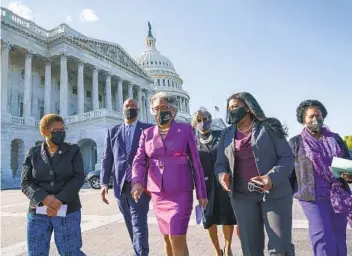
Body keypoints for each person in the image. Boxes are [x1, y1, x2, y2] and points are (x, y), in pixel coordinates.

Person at [214, 92, 295, 256]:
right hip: (242, 197)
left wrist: (271, 178)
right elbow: (220, 164)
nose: (232, 110)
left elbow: (287, 157)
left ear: (248, 108)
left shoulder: (269, 127)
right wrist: (222, 175)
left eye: (235, 106)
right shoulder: (226, 133)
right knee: (250, 247)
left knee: (280, 246)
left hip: (273, 193)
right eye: (229, 108)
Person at [131, 92, 207, 256]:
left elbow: (196, 163)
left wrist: (202, 193)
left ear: (173, 109)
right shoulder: (147, 133)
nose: (160, 111)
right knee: (166, 238)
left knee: (177, 237)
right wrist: (137, 181)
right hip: (158, 193)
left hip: (180, 192)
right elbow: (139, 160)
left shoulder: (185, 130)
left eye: (164, 107)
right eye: (156, 108)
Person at [289, 100, 352, 256]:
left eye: (318, 115)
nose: (315, 119)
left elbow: (347, 162)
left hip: (338, 194)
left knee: (338, 236)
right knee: (322, 235)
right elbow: (288, 172)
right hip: (311, 197)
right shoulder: (296, 142)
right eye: (311, 116)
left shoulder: (335, 139)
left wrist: (348, 174)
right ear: (303, 119)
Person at [21, 114, 85, 256]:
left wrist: (58, 200)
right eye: (56, 130)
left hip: (68, 210)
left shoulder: (73, 150)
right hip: (38, 211)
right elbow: (26, 182)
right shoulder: (33, 153)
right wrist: (44, 198)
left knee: (71, 252)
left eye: (63, 129)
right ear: (44, 131)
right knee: (36, 253)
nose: (61, 133)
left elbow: (79, 177)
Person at [100, 98, 152, 256]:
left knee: (139, 223)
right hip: (120, 185)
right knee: (129, 222)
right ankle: (138, 250)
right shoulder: (113, 131)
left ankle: (141, 253)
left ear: (138, 110)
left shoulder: (148, 129)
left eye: (133, 106)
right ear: (122, 109)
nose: (130, 109)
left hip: (140, 184)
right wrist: (103, 183)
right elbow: (107, 158)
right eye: (127, 106)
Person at [192, 107, 238, 256]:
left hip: (223, 182)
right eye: (199, 120)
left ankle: (228, 246)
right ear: (194, 123)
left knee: (227, 216)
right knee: (209, 218)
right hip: (205, 185)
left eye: (205, 119)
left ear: (211, 120)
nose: (202, 122)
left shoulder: (221, 135)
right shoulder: (192, 141)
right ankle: (217, 249)